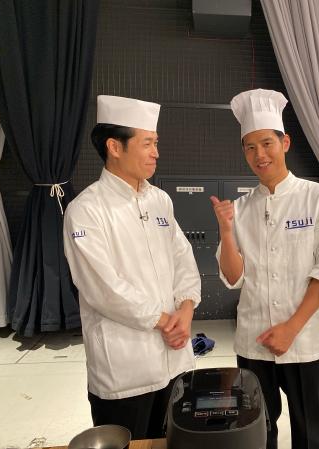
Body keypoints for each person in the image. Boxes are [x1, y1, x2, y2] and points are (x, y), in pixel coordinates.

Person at [63, 95, 201, 439]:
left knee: (171, 442)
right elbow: (102, 288)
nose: (156, 153)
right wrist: (163, 321)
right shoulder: (86, 210)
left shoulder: (160, 200)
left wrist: (185, 310)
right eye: (147, 143)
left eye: (156, 143)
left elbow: (183, 259)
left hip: (175, 360)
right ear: (114, 147)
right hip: (125, 372)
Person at [210, 89, 319, 449]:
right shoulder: (241, 207)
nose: (259, 155)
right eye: (250, 147)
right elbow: (233, 277)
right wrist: (226, 231)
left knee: (309, 430)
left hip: (304, 339)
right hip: (254, 340)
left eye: (267, 143)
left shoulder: (318, 197)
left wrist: (291, 328)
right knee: (257, 431)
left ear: (285, 142)